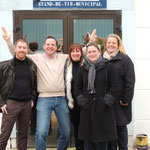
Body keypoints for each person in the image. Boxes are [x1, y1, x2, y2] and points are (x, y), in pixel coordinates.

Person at [2, 27, 71, 150]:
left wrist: (91, 44)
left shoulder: (63, 57)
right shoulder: (35, 58)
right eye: (48, 44)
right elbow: (18, 53)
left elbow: (79, 53)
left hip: (61, 99)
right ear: (44, 46)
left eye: (53, 45)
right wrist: (8, 41)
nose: (50, 46)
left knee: (66, 132)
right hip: (44, 99)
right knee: (40, 133)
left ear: (56, 47)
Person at [74, 42, 118, 150]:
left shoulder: (108, 66)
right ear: (86, 54)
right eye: (89, 52)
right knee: (88, 141)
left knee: (103, 141)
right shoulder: (83, 68)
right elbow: (77, 88)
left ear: (99, 52)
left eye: (94, 51)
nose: (92, 53)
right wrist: (82, 102)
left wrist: (106, 101)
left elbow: (115, 86)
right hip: (87, 109)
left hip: (103, 109)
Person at [0, 39, 37, 150]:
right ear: (15, 49)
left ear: (27, 50)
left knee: (23, 135)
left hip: (26, 104)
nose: (22, 50)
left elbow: (35, 85)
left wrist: (32, 99)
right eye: (19, 47)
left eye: (24, 48)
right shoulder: (4, 66)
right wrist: (1, 103)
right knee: (4, 136)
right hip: (11, 104)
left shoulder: (31, 65)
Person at [103, 34, 135, 150]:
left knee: (121, 129)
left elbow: (130, 81)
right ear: (105, 44)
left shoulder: (125, 59)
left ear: (118, 45)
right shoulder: (102, 59)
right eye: (108, 43)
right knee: (110, 131)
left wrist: (126, 99)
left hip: (120, 102)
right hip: (107, 102)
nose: (110, 45)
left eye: (113, 43)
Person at [64, 43, 84, 150]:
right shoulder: (67, 66)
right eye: (73, 51)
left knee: (86, 130)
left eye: (78, 51)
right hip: (73, 104)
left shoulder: (86, 65)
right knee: (77, 130)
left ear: (81, 53)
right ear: (70, 53)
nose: (75, 53)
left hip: (85, 104)